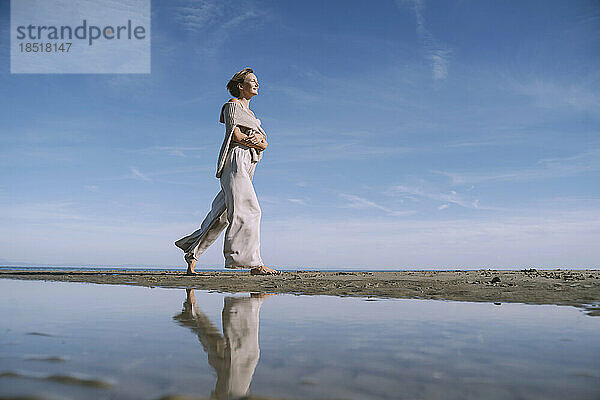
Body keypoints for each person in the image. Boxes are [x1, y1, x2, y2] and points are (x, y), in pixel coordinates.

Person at [175, 68, 280, 276]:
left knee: (220, 216)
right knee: (250, 209)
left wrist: (260, 142)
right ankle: (253, 263)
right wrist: (256, 141)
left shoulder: (252, 115)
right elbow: (235, 134)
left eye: (257, 81)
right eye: (252, 81)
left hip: (248, 164)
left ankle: (192, 254)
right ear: (241, 86)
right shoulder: (232, 106)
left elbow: (265, 143)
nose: (257, 84)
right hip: (235, 161)